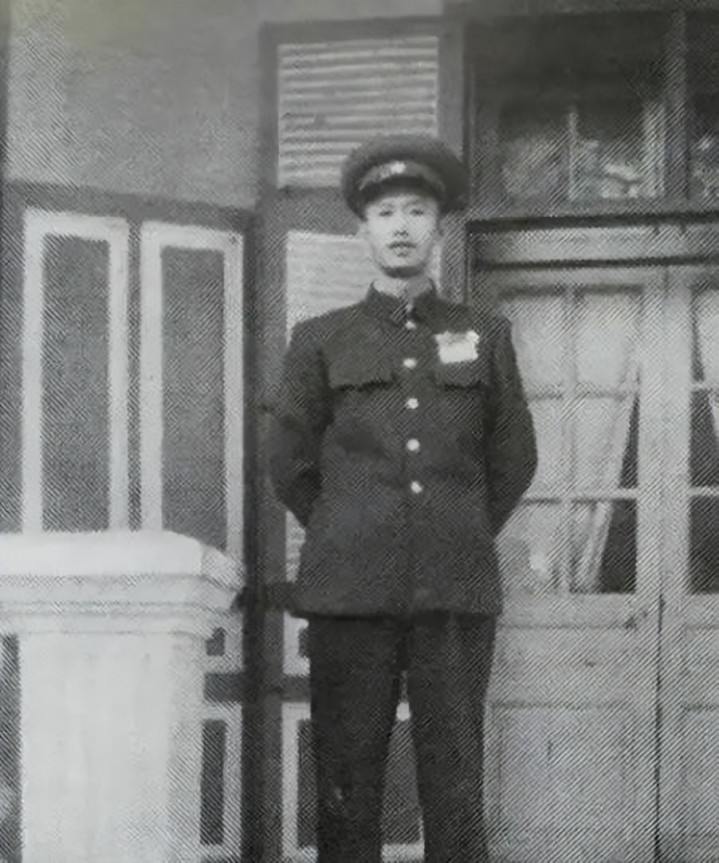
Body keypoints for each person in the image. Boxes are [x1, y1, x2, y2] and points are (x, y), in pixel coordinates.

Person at [268, 134, 537, 863]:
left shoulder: (484, 335)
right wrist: (350, 525)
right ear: (362, 229)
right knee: (347, 777)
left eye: (415, 211)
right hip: (349, 593)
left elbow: (513, 457)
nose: (399, 227)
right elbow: (288, 462)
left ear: (438, 228)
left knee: (455, 781)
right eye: (384, 213)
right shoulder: (320, 340)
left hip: (452, 591)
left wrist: (453, 526)